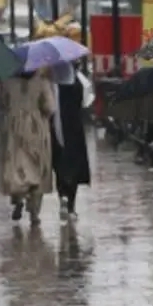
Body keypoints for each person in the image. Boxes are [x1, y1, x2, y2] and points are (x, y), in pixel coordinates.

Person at [0, 69, 56, 225]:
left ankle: (17, 199)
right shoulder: (42, 82)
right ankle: (34, 212)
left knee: (15, 166)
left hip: (14, 130)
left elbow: (3, 104)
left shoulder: (8, 82)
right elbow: (50, 107)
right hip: (37, 130)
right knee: (38, 168)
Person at [51, 64, 91, 220]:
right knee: (73, 167)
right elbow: (85, 103)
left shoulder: (53, 81)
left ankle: (62, 197)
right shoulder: (78, 82)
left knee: (59, 165)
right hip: (74, 129)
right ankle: (71, 207)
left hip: (57, 127)